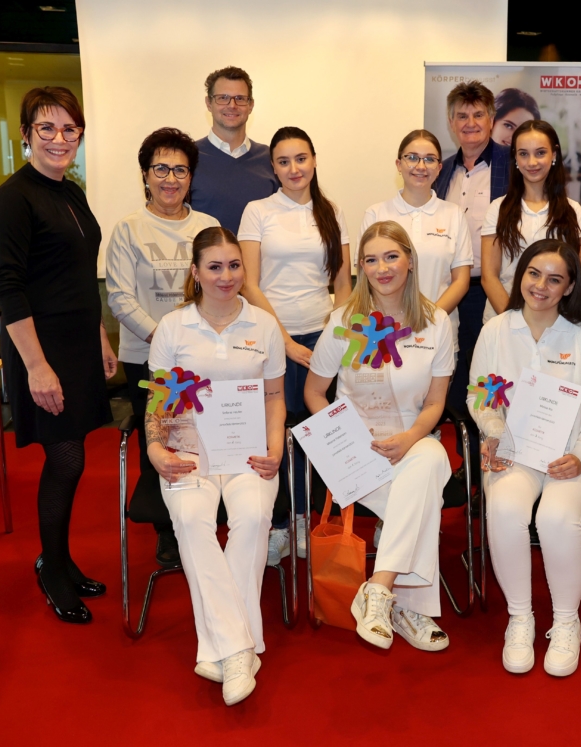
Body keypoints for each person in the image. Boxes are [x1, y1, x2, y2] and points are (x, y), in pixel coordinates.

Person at [0, 86, 115, 624]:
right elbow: (9, 288)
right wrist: (37, 367)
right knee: (66, 458)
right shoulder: (13, 198)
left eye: (70, 129)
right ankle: (52, 569)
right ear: (26, 134)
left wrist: (100, 335)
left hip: (78, 343)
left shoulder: (72, 191)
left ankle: (60, 560)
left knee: (73, 454)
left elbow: (79, 275)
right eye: (47, 128)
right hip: (41, 349)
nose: (59, 138)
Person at [146, 227, 286, 705]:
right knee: (191, 520)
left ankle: (220, 650)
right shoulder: (173, 327)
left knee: (253, 518)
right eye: (214, 266)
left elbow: (274, 397)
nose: (226, 276)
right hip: (187, 451)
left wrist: (275, 448)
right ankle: (240, 648)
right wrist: (155, 450)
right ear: (195, 272)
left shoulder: (264, 325)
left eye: (234, 265)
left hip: (248, 452)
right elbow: (158, 402)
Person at [304, 220, 454, 652]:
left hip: (412, 442)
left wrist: (409, 439)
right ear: (361, 268)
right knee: (423, 497)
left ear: (410, 260)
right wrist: (344, 439)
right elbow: (313, 393)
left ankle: (379, 588)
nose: (382, 268)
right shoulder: (343, 321)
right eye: (371, 260)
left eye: (391, 257)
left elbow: (435, 404)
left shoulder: (436, 322)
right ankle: (410, 607)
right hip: (355, 451)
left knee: (429, 459)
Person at [471, 239, 581, 677]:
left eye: (555, 279)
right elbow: (482, 395)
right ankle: (521, 618)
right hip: (516, 453)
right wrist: (493, 431)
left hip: (578, 457)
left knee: (555, 518)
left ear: (569, 287)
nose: (541, 285)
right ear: (521, 276)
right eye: (534, 274)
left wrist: (580, 454)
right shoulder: (497, 331)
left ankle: (566, 622)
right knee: (504, 507)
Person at [106, 127, 220, 568]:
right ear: (145, 175)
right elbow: (120, 298)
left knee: (202, 436)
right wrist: (168, 342)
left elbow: (219, 286)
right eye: (161, 169)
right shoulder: (128, 229)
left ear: (191, 177)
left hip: (203, 357)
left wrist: (196, 344)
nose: (170, 179)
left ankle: (202, 513)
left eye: (180, 170)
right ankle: (167, 530)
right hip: (148, 360)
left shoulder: (207, 226)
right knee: (158, 440)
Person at [238, 126, 351, 565]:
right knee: (280, 432)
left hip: (324, 337)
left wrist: (334, 339)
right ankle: (282, 523)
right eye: (283, 161)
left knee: (321, 431)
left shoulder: (332, 211)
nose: (294, 168)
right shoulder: (258, 211)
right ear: (273, 167)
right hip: (271, 338)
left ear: (314, 160)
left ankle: (310, 519)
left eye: (301, 159)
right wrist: (283, 341)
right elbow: (249, 283)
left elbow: (343, 284)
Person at [433, 81, 510, 417]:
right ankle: (462, 444)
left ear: (491, 120)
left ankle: (487, 445)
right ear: (451, 123)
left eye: (478, 115)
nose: (470, 123)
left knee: (489, 375)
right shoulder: (442, 170)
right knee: (451, 374)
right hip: (448, 290)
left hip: (490, 289)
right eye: (462, 116)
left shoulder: (511, 164)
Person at [360, 129, 471, 347]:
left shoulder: (454, 214)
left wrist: (426, 320)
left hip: (438, 332)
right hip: (386, 333)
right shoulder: (376, 214)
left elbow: (461, 281)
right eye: (412, 158)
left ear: (439, 168)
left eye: (429, 159)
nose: (420, 166)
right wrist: (399, 325)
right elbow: (367, 276)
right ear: (398, 164)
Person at [482, 119, 581, 327]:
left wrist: (548, 325)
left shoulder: (573, 211)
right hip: (503, 322)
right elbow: (489, 276)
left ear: (554, 155)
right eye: (523, 154)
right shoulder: (498, 209)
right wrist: (515, 322)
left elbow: (576, 276)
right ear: (515, 158)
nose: (532, 162)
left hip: (557, 325)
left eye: (540, 153)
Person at [190, 66, 278, 232]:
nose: (232, 105)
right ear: (208, 103)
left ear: (250, 105)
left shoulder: (271, 159)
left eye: (240, 98)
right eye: (223, 98)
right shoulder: (188, 157)